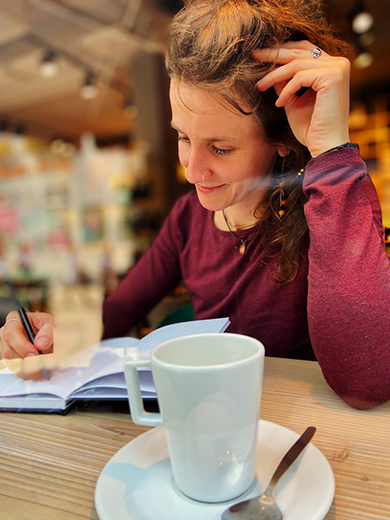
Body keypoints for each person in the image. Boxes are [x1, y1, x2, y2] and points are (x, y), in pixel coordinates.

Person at [1, 0, 389, 409]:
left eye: (220, 149)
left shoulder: (330, 210)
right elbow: (122, 308)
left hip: (301, 431)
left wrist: (331, 149)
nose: (192, 172)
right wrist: (56, 334)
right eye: (184, 138)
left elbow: (364, 385)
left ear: (281, 142)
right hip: (208, 419)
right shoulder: (187, 218)